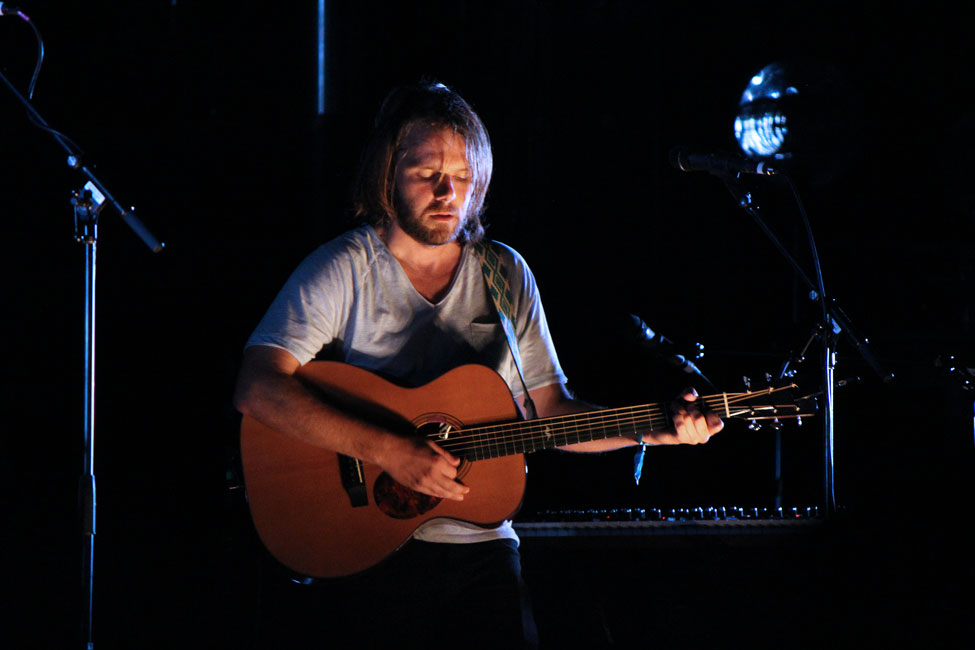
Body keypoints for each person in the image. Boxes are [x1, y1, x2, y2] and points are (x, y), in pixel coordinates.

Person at [233, 81, 724, 648]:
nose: (448, 192)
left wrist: (654, 431)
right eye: (426, 174)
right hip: (365, 547)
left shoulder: (504, 273)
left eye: (463, 178)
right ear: (388, 174)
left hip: (484, 550)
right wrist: (391, 450)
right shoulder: (346, 267)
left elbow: (550, 411)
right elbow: (258, 386)